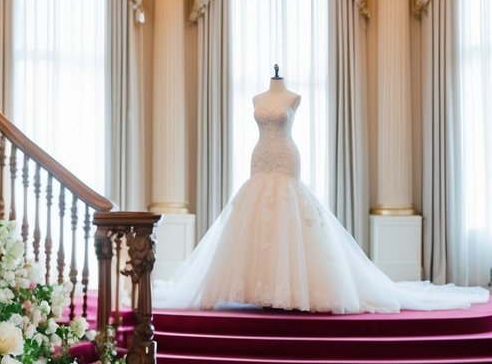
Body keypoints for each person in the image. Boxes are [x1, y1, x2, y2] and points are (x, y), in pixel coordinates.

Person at [154, 67, 489, 314]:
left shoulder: (293, 97)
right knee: (255, 220)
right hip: (259, 159)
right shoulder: (256, 97)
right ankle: (258, 287)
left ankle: (290, 290)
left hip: (286, 158)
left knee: (289, 218)